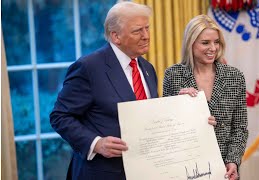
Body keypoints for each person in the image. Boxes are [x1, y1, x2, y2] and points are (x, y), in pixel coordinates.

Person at [50, 2, 158, 180]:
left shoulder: (147, 68)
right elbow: (59, 116)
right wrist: (96, 143)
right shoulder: (88, 67)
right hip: (101, 173)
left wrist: (186, 104)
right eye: (138, 31)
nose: (146, 36)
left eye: (147, 28)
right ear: (116, 36)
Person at [163, 14, 248, 180]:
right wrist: (179, 106)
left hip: (224, 169)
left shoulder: (235, 76)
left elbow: (240, 128)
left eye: (216, 42)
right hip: (185, 168)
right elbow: (166, 130)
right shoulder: (173, 75)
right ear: (191, 43)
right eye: (205, 43)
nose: (213, 48)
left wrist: (233, 161)